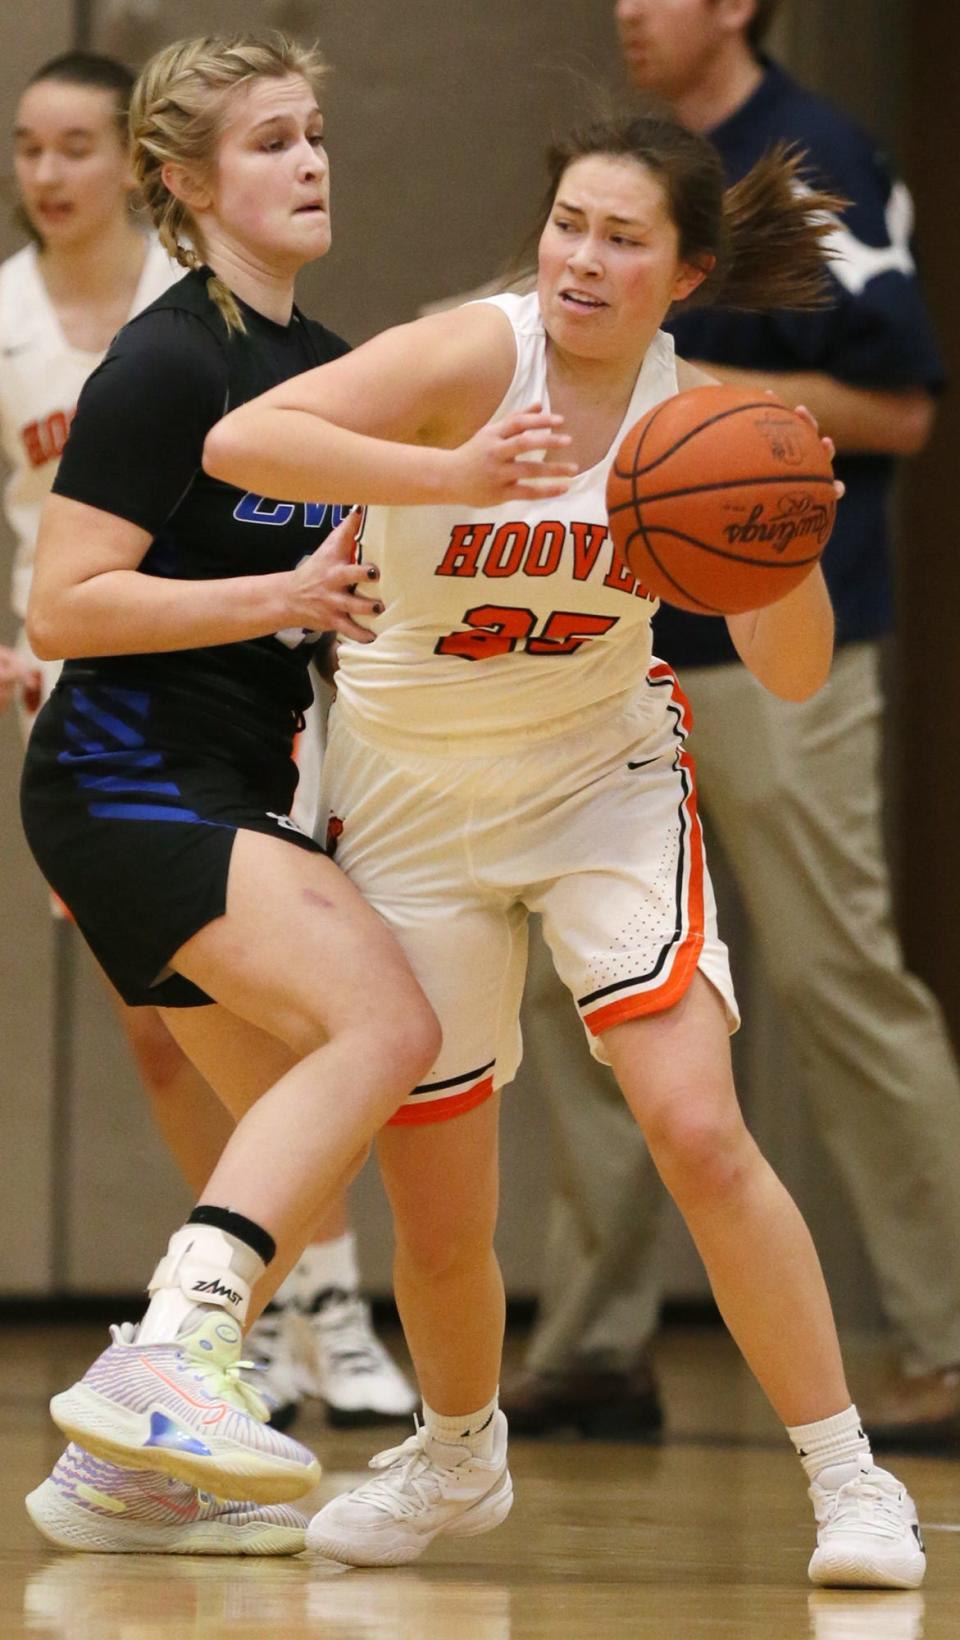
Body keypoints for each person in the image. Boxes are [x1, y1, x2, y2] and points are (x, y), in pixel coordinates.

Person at [205, 105, 925, 1588]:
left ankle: (852, 1482)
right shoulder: (478, 352)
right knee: (445, 1209)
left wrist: (780, 545)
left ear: (686, 271)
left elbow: (788, 673)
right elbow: (243, 435)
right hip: (407, 789)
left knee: (701, 1129)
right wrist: (451, 477)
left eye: (622, 239)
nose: (583, 260)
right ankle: (457, 1454)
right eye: (569, 226)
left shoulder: (701, 423)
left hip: (600, 774)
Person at [504, 0, 960, 1450]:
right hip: (601, 640)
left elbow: (897, 408)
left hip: (777, 647)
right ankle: (589, 1348)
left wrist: (694, 414)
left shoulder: (814, 163)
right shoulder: (614, 185)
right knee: (589, 991)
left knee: (835, 974)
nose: (633, 7)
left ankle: (949, 1342)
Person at [19, 31, 440, 1557]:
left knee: (292, 1122)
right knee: (388, 1025)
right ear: (188, 183)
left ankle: (116, 1474)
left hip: (219, 773)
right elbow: (67, 605)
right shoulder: (166, 357)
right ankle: (173, 1366)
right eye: (272, 141)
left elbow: (333, 596)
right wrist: (280, 591)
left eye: (319, 130)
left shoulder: (318, 366)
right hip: (126, 775)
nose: (313, 160)